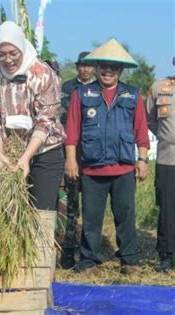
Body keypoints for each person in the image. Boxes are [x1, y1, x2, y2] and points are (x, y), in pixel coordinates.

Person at [65, 39, 150, 275]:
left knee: (125, 216)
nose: (108, 70)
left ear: (120, 70)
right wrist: (71, 160)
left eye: (113, 67)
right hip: (92, 170)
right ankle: (90, 260)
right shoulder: (82, 93)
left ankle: (129, 259)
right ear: (96, 67)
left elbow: (140, 130)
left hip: (123, 170)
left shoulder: (132, 95)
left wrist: (142, 160)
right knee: (91, 219)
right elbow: (72, 130)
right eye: (103, 65)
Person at [0, 21, 65, 212]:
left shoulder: (42, 73)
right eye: (1, 54)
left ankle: (42, 242)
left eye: (13, 53)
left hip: (44, 149)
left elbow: (46, 120)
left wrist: (26, 157)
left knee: (42, 211)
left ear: (22, 48)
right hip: (9, 150)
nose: (7, 59)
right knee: (8, 210)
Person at [58, 51, 95, 269]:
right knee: (68, 204)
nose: (86, 69)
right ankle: (68, 250)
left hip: (90, 154)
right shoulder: (66, 88)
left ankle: (89, 250)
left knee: (90, 206)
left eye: (89, 65)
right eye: (82, 65)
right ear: (78, 66)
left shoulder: (99, 88)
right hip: (68, 154)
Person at [146, 57, 175, 272]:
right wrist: (166, 137)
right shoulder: (159, 87)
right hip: (168, 158)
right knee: (166, 208)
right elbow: (150, 119)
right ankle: (166, 255)